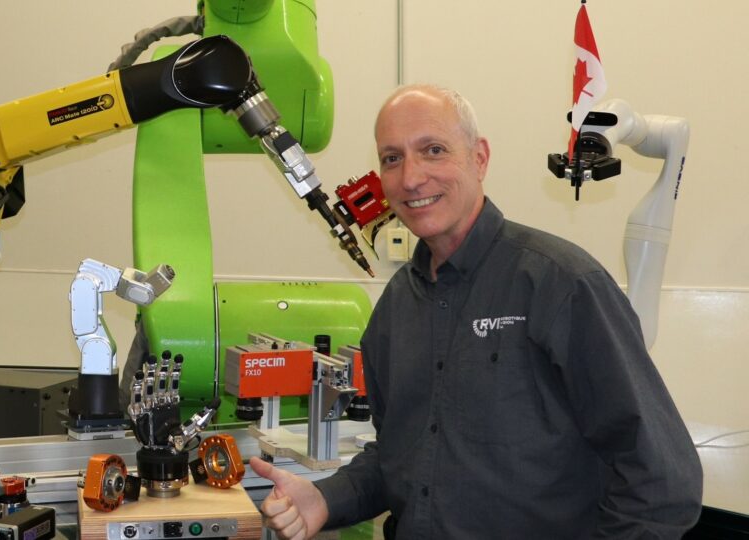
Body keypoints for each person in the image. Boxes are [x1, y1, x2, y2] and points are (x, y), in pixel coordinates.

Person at [249, 84, 703, 539]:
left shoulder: (561, 284)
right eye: (392, 158)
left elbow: (662, 482)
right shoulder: (396, 308)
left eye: (433, 150)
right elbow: (401, 458)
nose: (411, 178)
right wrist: (326, 498)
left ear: (480, 158)